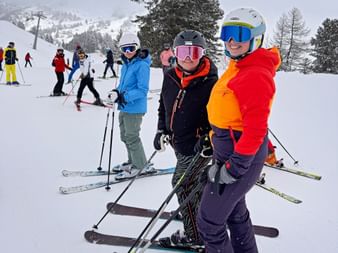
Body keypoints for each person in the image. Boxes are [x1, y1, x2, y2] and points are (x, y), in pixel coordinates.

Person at [196, 8, 281, 253]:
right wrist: (212, 138)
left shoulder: (255, 74)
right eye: (227, 34)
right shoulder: (240, 66)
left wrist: (234, 167)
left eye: (239, 34)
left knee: (209, 223)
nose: (232, 41)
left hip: (240, 157)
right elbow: (230, 114)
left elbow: (255, 130)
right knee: (234, 212)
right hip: (229, 151)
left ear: (256, 37)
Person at [153, 30, 218, 248]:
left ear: (202, 53)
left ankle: (195, 237)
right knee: (192, 183)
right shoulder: (170, 76)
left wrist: (208, 138)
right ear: (175, 53)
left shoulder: (212, 83)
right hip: (178, 142)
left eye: (194, 51)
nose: (188, 57)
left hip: (200, 147)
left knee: (182, 184)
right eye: (182, 51)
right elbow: (163, 105)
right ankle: (192, 211)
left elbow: (219, 117)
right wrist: (161, 130)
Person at [107, 33, 152, 179]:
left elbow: (142, 90)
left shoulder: (142, 66)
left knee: (132, 137)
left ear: (137, 48)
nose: (127, 52)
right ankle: (133, 161)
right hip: (124, 106)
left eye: (131, 48)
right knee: (125, 136)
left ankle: (140, 166)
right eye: (124, 49)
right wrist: (116, 92)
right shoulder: (126, 64)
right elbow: (123, 84)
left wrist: (123, 97)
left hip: (135, 108)